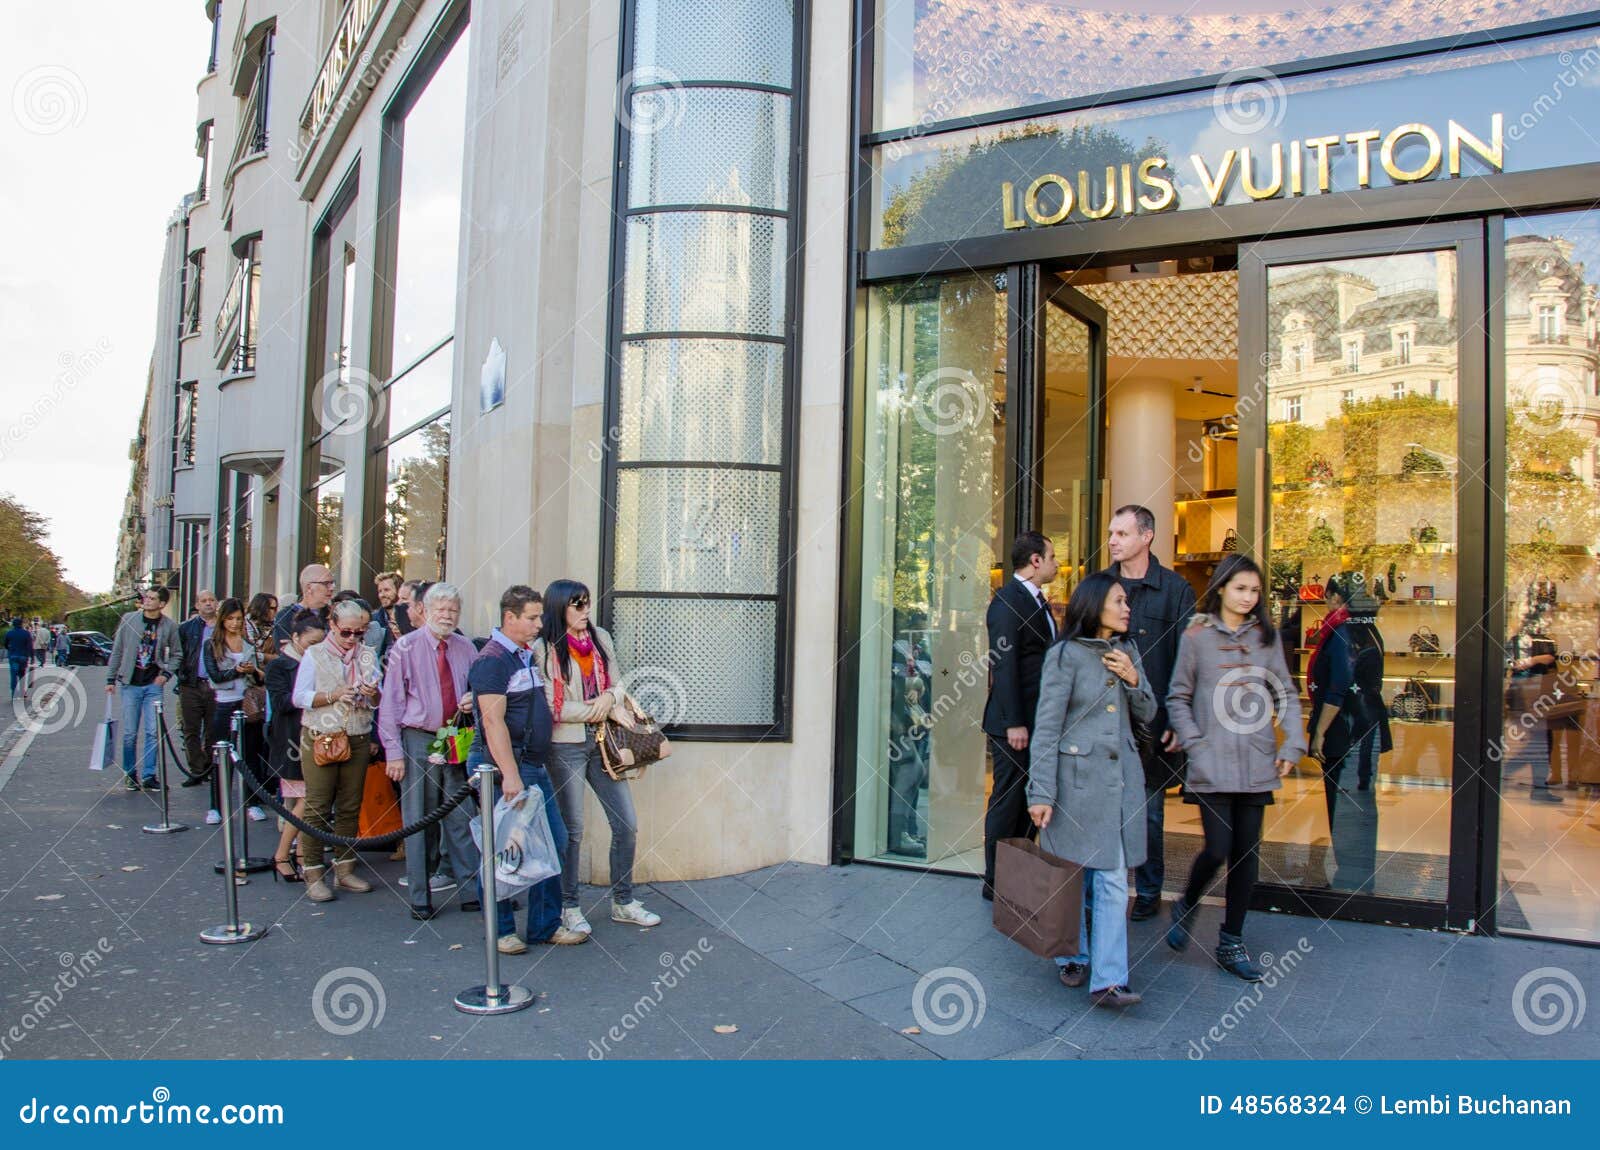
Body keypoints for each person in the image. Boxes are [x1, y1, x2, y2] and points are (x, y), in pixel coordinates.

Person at [1164, 555, 1305, 980]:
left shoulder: (1266, 637)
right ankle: (1188, 900)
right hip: (1211, 764)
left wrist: (1294, 740)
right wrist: (1195, 744)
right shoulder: (1196, 636)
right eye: (1240, 588)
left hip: (1256, 761)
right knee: (1218, 847)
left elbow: (1286, 693)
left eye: (1254, 591)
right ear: (1222, 587)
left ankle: (1231, 942)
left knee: (1247, 856)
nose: (1248, 597)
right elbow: (1177, 697)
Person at [1027, 572, 1155, 1008]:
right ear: (1095, 604)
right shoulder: (1065, 655)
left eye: (1127, 602)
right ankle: (1073, 954)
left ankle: (1109, 981)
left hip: (1120, 786)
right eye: (1119, 601)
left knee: (1114, 879)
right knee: (1072, 877)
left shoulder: (1128, 650)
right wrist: (1040, 792)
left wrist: (1134, 679)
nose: (1126, 609)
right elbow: (1046, 726)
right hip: (1074, 785)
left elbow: (1149, 711)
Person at [535, 579, 662, 934]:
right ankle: (568, 905)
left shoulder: (600, 637)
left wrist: (609, 699)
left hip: (605, 743)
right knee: (572, 830)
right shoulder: (544, 648)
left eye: (587, 603)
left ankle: (623, 900)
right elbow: (552, 705)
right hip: (566, 746)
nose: (584, 610)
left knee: (626, 823)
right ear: (559, 608)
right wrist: (600, 707)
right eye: (577, 605)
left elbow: (618, 684)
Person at [467, 584, 586, 950]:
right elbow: (493, 723)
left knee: (552, 842)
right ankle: (502, 930)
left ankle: (544, 924)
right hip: (508, 767)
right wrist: (511, 775)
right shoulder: (492, 660)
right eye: (532, 618)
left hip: (531, 765)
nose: (539, 624)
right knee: (506, 849)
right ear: (510, 617)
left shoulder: (523, 654)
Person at [1103, 504, 1197, 922]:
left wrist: (1179, 718)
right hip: (1103, 722)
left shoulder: (1176, 590)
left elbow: (1187, 660)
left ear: (1147, 537)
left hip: (1153, 724)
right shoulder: (1097, 586)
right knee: (1102, 808)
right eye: (1111, 533)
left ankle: (1148, 890)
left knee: (1149, 813)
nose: (1112, 541)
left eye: (1121, 533)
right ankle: (1104, 891)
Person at [378, 582, 480, 921]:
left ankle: (470, 891)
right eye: (441, 609)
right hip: (418, 739)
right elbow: (390, 703)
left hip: (455, 737)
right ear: (424, 611)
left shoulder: (467, 648)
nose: (447, 616)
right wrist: (393, 752)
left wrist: (472, 700)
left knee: (461, 816)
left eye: (453, 610)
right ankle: (420, 898)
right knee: (419, 818)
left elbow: (478, 690)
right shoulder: (405, 647)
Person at [980, 530, 1060, 900]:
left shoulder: (1038, 601)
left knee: (1028, 799)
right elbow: (1005, 663)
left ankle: (1018, 875)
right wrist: (1014, 722)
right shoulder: (1007, 602)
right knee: (1008, 800)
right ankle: (994, 882)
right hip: (1014, 724)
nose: (1058, 564)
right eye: (1053, 557)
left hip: (1034, 722)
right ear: (1036, 561)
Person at [292, 598, 383, 903]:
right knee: (317, 805)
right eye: (347, 632)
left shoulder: (368, 655)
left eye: (360, 633)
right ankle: (313, 872)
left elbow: (377, 701)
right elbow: (299, 697)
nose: (353, 639)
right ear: (331, 625)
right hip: (321, 735)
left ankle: (344, 870)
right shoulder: (315, 654)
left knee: (349, 805)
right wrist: (333, 695)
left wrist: (372, 695)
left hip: (357, 734)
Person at [1305, 574, 1385, 891]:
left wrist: (1319, 732)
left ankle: (1350, 879)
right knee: (1361, 802)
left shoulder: (1340, 632)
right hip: (1368, 727)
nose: (1326, 604)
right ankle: (1360, 876)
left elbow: (1337, 687)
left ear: (1337, 599)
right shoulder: (1370, 630)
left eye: (1327, 598)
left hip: (1345, 730)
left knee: (1342, 804)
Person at [265, 610, 324, 882]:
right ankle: (282, 854)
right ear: (297, 638)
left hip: (315, 734)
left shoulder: (317, 660)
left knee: (308, 800)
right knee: (304, 800)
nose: (316, 650)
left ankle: (300, 853)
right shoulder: (279, 665)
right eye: (312, 644)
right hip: (290, 738)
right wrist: (313, 696)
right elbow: (280, 703)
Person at [105, 588, 181, 791]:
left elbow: (177, 654)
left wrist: (165, 675)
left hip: (152, 686)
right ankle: (130, 774)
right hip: (130, 684)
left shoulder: (169, 626)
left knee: (152, 732)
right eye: (146, 597)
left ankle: (149, 775)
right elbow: (118, 650)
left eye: (152, 598)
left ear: (162, 604)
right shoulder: (129, 619)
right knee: (130, 733)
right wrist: (110, 678)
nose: (147, 600)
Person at [202, 597, 267, 824]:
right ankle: (216, 806)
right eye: (230, 619)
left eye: (239, 618)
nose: (235, 623)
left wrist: (254, 672)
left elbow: (259, 678)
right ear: (222, 620)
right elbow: (216, 677)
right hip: (224, 702)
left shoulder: (248, 643)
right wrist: (238, 671)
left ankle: (253, 803)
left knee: (251, 755)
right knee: (222, 756)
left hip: (247, 703)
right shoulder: (211, 645)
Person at [176, 590, 220, 785]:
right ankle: (196, 770)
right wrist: (181, 675)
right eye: (204, 601)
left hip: (216, 685)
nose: (208, 603)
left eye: (211, 600)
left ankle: (210, 767)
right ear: (197, 605)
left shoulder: (223, 626)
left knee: (213, 729)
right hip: (191, 684)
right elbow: (179, 653)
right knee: (190, 729)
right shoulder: (186, 628)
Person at [272, 563, 335, 645]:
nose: (332, 588)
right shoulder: (285, 617)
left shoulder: (335, 615)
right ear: (309, 588)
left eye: (332, 583)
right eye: (326, 584)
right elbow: (286, 652)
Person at [6, 618, 32, 697]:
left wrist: (10, 650)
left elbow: (6, 644)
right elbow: (29, 646)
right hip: (23, 657)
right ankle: (22, 692)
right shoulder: (26, 633)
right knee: (22, 675)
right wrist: (31, 657)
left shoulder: (9, 633)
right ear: (21, 624)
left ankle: (13, 692)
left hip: (13, 656)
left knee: (13, 675)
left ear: (13, 624)